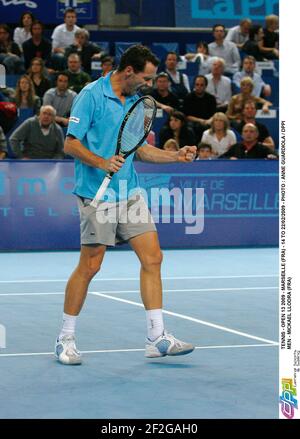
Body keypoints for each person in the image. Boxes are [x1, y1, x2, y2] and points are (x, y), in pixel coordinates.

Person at [54, 45, 196, 365]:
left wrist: (176, 156)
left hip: (129, 193)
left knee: (153, 258)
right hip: (97, 193)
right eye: (145, 77)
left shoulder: (138, 103)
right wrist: (102, 162)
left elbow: (139, 151)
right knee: (91, 266)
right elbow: (70, 143)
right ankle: (65, 338)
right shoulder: (91, 95)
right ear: (128, 71)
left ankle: (156, 337)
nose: (147, 84)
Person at [183, 75, 217, 142]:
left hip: (207, 122)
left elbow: (214, 114)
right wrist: (201, 121)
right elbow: (187, 116)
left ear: (205, 86)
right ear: (194, 85)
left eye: (202, 85)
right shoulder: (188, 97)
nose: (199, 87)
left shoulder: (211, 98)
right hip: (193, 122)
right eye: (197, 85)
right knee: (190, 128)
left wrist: (209, 121)